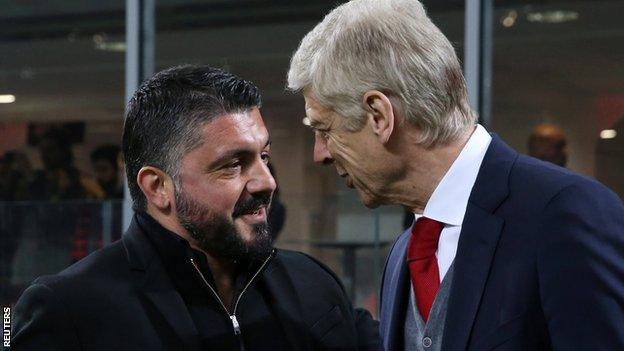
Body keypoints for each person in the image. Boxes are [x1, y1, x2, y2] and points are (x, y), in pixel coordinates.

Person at [287, 1, 624, 350]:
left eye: (325, 130)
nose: (320, 154)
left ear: (379, 116)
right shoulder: (402, 255)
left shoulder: (565, 212)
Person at [12, 65, 379, 351]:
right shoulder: (70, 309)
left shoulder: (312, 284)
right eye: (233, 165)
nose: (266, 181)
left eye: (264, 157)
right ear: (158, 188)